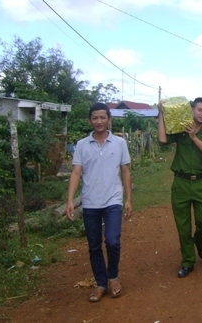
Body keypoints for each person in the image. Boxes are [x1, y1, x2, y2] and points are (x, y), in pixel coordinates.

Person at [65, 102, 132, 302]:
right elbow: (76, 172)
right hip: (90, 202)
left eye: (103, 117)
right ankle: (101, 283)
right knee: (94, 245)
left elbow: (126, 171)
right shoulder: (82, 144)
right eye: (95, 118)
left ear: (109, 119)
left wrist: (129, 199)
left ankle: (113, 277)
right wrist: (70, 200)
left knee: (112, 240)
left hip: (113, 200)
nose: (99, 121)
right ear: (90, 120)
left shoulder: (119, 143)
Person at [158, 97, 202, 278]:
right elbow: (162, 139)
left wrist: (194, 137)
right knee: (183, 226)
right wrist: (161, 113)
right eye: (200, 110)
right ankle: (187, 261)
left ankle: (200, 242)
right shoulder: (180, 128)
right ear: (192, 110)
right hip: (181, 183)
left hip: (201, 183)